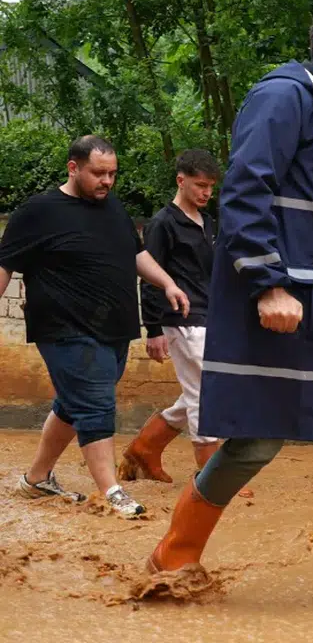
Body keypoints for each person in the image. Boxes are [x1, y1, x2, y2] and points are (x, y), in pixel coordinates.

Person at [146, 0, 313, 576]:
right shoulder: (283, 97)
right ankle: (174, 554)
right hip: (289, 306)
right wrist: (266, 284)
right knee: (258, 439)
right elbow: (245, 193)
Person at [0, 135, 190, 519]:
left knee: (73, 405)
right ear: (73, 167)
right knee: (95, 403)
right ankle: (112, 491)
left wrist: (167, 282)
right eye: (98, 173)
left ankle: (36, 479)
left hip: (114, 328)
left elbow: (136, 254)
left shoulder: (113, 209)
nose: (107, 181)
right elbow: (5, 263)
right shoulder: (38, 211)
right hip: (64, 326)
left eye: (113, 174)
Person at [118, 149, 221, 482]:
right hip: (180, 321)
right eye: (200, 185)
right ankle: (209, 475)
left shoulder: (208, 223)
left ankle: (144, 449)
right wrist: (154, 329)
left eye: (210, 187)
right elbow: (149, 276)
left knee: (196, 390)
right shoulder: (162, 223)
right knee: (205, 392)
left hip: (209, 318)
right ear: (181, 180)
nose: (206, 193)